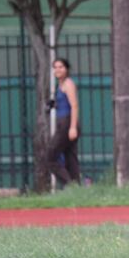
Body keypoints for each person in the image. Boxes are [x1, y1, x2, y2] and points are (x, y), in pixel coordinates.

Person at [47, 58, 81, 186]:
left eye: (61, 67)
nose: (58, 70)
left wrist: (73, 127)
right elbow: (63, 103)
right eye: (55, 67)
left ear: (66, 69)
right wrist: (53, 104)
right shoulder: (59, 85)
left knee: (50, 157)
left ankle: (69, 184)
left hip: (67, 123)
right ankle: (76, 188)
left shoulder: (68, 84)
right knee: (70, 157)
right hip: (62, 121)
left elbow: (74, 105)